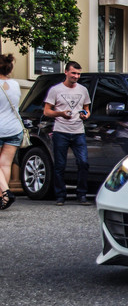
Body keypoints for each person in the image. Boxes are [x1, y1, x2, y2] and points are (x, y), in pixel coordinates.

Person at [43, 61, 91, 206]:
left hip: (78, 131)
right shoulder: (55, 90)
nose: (76, 76)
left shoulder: (83, 90)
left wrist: (86, 115)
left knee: (83, 163)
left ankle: (82, 194)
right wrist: (61, 114)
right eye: (74, 73)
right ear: (66, 72)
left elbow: (87, 109)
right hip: (61, 131)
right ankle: (60, 196)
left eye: (78, 74)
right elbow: (47, 111)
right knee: (60, 165)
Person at [0, 54, 23, 210]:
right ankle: (3, 199)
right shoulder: (15, 84)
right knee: (5, 164)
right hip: (14, 128)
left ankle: (6, 192)